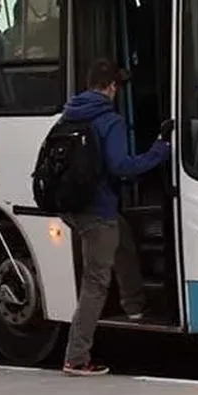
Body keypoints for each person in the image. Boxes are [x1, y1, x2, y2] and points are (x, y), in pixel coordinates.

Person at [59, 58, 173, 376]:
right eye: (116, 86)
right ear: (110, 88)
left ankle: (135, 305)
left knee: (121, 237)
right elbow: (121, 166)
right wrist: (160, 150)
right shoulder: (110, 120)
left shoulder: (69, 114)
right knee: (95, 282)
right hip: (96, 210)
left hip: (72, 206)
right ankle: (76, 357)